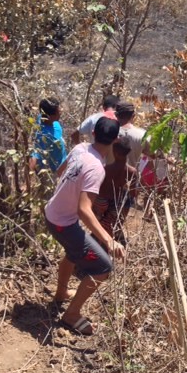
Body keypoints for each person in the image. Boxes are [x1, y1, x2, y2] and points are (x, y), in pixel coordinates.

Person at [45, 117, 125, 335]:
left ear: (93, 134)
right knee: (103, 268)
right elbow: (84, 209)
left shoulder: (80, 148)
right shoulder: (97, 168)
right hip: (63, 222)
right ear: (115, 140)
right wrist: (108, 239)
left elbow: (61, 171)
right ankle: (71, 315)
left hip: (53, 213)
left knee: (73, 252)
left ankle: (61, 294)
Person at [93, 136, 138, 247]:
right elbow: (133, 193)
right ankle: (106, 245)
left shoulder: (105, 169)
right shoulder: (132, 172)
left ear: (114, 151)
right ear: (129, 151)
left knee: (98, 227)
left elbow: (96, 188)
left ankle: (97, 244)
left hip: (100, 202)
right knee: (109, 227)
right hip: (117, 205)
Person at [29, 98, 67, 197]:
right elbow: (35, 154)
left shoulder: (41, 118)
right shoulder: (44, 136)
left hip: (63, 168)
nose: (61, 112)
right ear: (50, 117)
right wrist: (29, 179)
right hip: (53, 174)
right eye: (58, 112)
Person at [114, 101, 148, 169]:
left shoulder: (108, 133)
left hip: (108, 177)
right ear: (133, 115)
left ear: (116, 115)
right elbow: (154, 155)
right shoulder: (142, 134)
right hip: (131, 178)